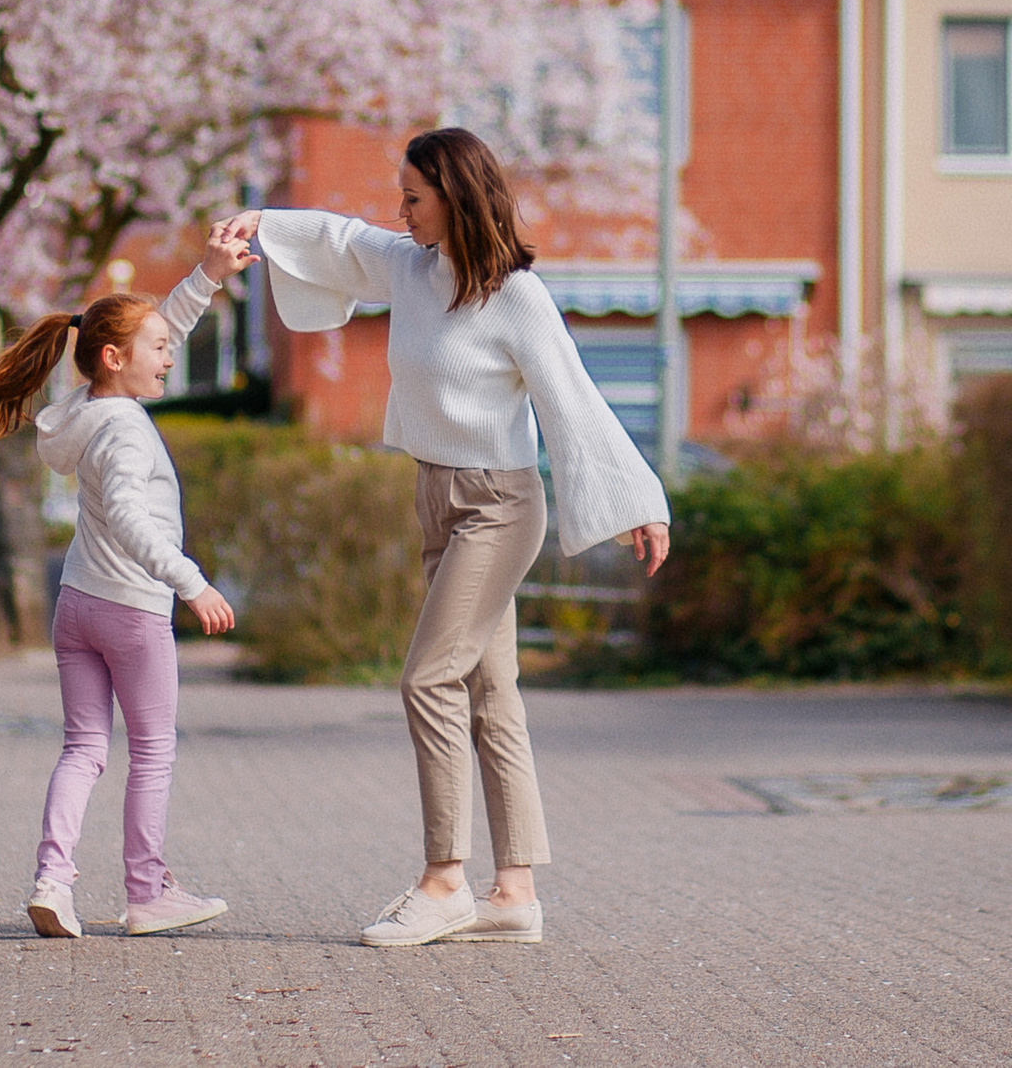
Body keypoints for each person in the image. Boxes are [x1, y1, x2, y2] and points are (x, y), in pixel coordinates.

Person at [217, 128, 671, 948]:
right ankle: (515, 892)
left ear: (456, 196)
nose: (402, 210)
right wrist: (260, 220)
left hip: (498, 506)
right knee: (491, 692)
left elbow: (572, 396)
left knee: (428, 677)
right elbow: (341, 241)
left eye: (415, 197)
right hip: (437, 497)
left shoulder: (516, 296)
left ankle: (443, 881)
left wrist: (638, 498)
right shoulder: (414, 268)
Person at [0, 224, 254, 939]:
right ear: (116, 358)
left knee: (84, 747)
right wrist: (191, 581)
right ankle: (146, 891)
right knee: (152, 749)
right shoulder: (124, 427)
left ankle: (53, 882)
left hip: (77, 604)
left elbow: (156, 329)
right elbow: (125, 511)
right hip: (131, 612)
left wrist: (207, 275)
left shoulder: (86, 410)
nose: (170, 355)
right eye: (157, 350)